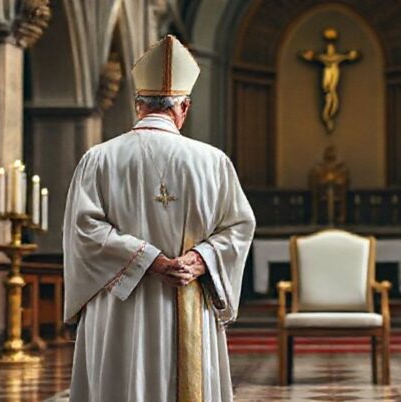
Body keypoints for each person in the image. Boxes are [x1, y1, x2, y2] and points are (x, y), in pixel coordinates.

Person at [63, 34, 256, 402]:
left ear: (138, 105)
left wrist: (148, 261)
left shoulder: (99, 158)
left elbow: (84, 230)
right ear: (184, 107)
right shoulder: (212, 161)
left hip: (118, 305)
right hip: (188, 298)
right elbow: (239, 226)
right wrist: (200, 260)